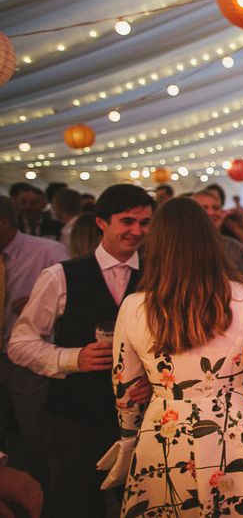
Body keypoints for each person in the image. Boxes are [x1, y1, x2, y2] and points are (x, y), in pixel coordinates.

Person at [108, 197, 243, 517]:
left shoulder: (134, 306)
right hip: (234, 428)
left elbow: (125, 395)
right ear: (210, 241)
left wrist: (130, 435)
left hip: (165, 431)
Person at [8, 184, 154, 518]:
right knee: (76, 503)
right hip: (75, 416)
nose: (137, 231)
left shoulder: (156, 278)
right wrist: (73, 358)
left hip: (143, 418)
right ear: (102, 222)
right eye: (128, 221)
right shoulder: (61, 275)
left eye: (144, 223)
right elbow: (20, 344)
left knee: (141, 504)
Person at [0, 196, 68, 495]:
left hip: (25, 357)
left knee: (34, 431)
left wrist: (39, 301)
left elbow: (76, 297)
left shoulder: (48, 251)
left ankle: (44, 493)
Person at [192, 189, 243, 277]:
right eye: (204, 208)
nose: (211, 212)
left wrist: (239, 227)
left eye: (216, 208)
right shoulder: (182, 244)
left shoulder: (233, 246)